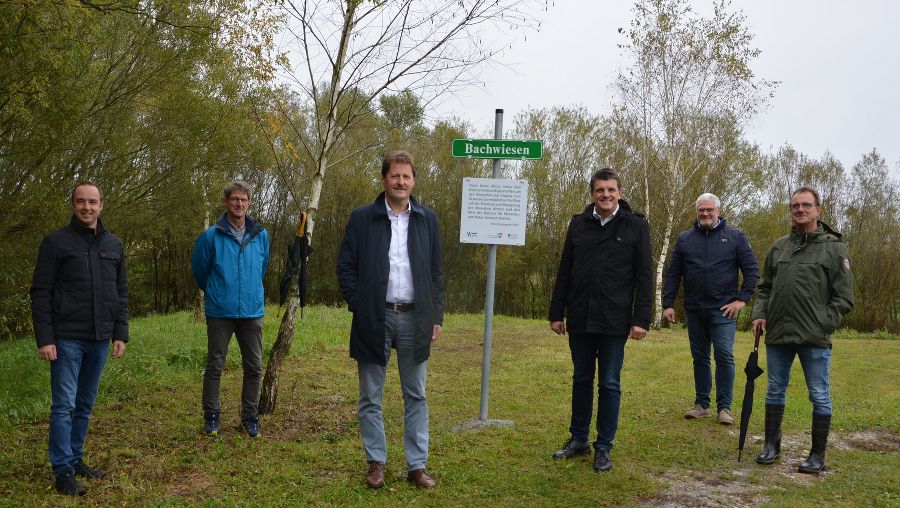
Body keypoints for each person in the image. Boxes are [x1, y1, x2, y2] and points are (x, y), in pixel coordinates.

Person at [337, 150, 445, 489]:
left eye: (406, 176)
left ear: (413, 181)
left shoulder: (428, 220)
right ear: (384, 179)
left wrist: (436, 315)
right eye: (395, 175)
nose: (401, 181)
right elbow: (346, 266)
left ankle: (417, 466)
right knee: (371, 395)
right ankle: (377, 463)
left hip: (416, 319)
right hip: (375, 317)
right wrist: (359, 302)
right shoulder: (361, 218)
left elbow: (436, 272)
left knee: (416, 395)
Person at [548, 168, 652, 473]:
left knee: (609, 383)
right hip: (580, 317)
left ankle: (603, 446)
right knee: (581, 379)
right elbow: (565, 269)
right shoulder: (578, 225)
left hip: (614, 319)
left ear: (619, 192)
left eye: (611, 190)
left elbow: (645, 276)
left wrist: (641, 318)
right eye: (599, 190)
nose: (605, 195)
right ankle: (578, 438)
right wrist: (556, 312)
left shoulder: (636, 226)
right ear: (592, 193)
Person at [31, 181, 129, 496]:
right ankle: (62, 471)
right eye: (80, 202)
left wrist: (120, 332)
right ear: (73, 204)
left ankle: (74, 459)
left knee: (84, 404)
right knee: (64, 405)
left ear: (102, 204)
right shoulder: (55, 243)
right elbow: (41, 292)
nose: (87, 207)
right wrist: (45, 338)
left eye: (92, 202)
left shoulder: (113, 244)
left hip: (100, 338)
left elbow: (120, 292)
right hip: (66, 338)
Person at [751, 186, 853, 473]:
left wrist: (823, 323)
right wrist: (760, 314)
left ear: (818, 209)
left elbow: (843, 297)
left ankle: (817, 455)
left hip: (814, 338)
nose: (800, 210)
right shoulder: (779, 246)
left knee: (819, 394)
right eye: (795, 206)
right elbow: (765, 287)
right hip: (779, 335)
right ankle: (771, 446)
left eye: (806, 205)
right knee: (774, 391)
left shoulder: (834, 248)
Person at [662, 193, 759, 425]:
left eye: (709, 210)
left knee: (724, 356)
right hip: (694, 310)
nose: (705, 214)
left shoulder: (735, 237)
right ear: (696, 212)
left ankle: (724, 408)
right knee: (700, 358)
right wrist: (667, 303)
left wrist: (742, 300)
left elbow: (752, 270)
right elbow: (673, 273)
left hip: (724, 310)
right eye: (701, 210)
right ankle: (702, 404)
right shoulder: (685, 239)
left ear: (718, 211)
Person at [192, 181, 270, 438]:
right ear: (226, 202)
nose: (239, 204)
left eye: (244, 200)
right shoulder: (210, 237)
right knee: (215, 365)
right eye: (234, 199)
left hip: (252, 312)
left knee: (254, 367)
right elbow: (201, 272)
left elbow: (262, 267)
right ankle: (211, 417)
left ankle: (249, 418)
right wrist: (219, 292)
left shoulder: (261, 235)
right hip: (220, 312)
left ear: (249, 203)